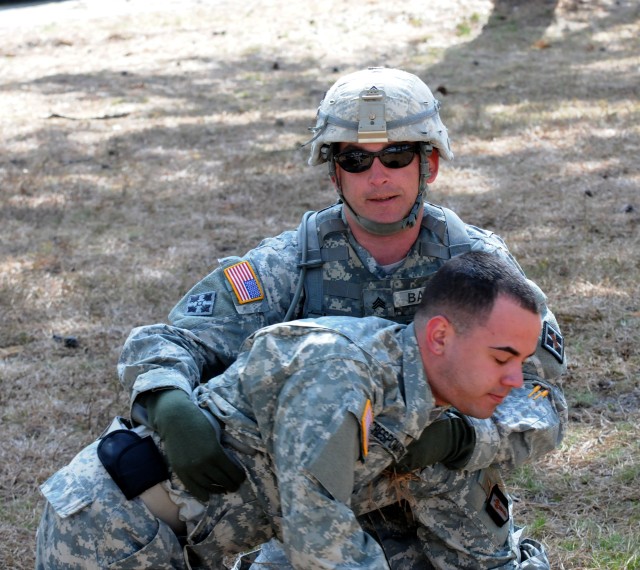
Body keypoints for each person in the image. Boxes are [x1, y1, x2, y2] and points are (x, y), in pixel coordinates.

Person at [37, 67, 567, 569]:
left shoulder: (479, 269)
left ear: (428, 164)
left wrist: (463, 439)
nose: (377, 176)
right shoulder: (291, 264)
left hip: (446, 488)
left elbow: (541, 396)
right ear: (334, 171)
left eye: (397, 155)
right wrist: (167, 400)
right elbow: (171, 340)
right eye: (356, 159)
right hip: (313, 494)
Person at [38, 252, 553, 569]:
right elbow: (320, 543)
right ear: (440, 335)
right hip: (111, 535)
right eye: (502, 358)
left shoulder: (416, 393)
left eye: (522, 362)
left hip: (177, 541)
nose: (514, 381)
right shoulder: (341, 373)